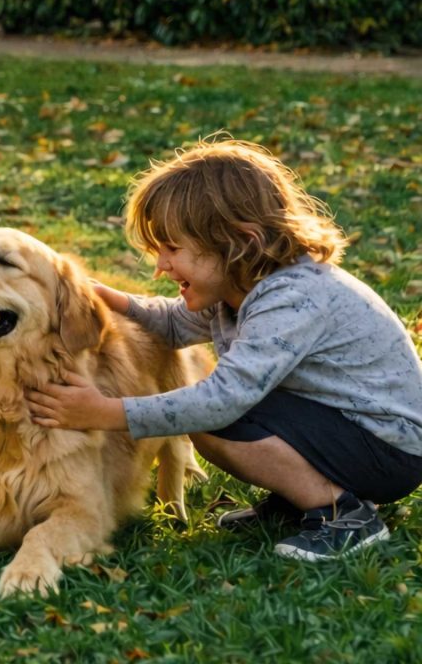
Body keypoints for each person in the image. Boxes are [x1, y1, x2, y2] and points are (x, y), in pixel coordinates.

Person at [25, 139, 422, 561]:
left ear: (239, 241)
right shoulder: (235, 288)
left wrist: (107, 413)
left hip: (389, 448)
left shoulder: (291, 299)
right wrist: (104, 298)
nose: (160, 265)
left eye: (172, 248)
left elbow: (221, 401)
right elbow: (174, 324)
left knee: (215, 417)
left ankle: (343, 513)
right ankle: (300, 499)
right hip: (348, 430)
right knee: (215, 412)